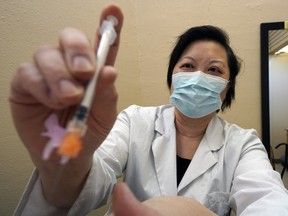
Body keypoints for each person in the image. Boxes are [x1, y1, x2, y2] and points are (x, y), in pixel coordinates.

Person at [10, 4, 288, 216]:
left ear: (226, 89)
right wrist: (67, 166)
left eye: (214, 70)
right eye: (188, 66)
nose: (198, 76)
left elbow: (268, 199)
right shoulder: (134, 121)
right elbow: (96, 175)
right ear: (172, 80)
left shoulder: (243, 144)